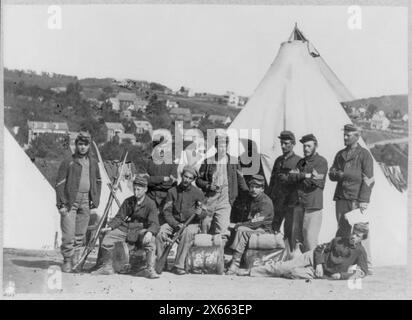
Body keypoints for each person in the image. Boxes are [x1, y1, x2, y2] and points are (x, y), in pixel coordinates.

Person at [238, 223, 369, 280]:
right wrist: (318, 263)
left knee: (292, 273)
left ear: (362, 238)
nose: (353, 236)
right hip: (313, 259)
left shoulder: (360, 251)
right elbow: (319, 249)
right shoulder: (339, 240)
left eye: (357, 235)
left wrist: (342, 276)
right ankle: (250, 272)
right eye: (353, 233)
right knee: (284, 266)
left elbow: (362, 272)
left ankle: (283, 273)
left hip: (324, 273)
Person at [91, 176, 160, 279]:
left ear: (145, 189)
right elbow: (119, 217)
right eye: (134, 189)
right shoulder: (128, 201)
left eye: (139, 190)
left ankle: (150, 269)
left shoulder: (150, 204)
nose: (136, 192)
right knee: (108, 238)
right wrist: (110, 227)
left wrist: (150, 232)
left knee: (150, 242)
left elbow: (154, 223)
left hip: (141, 230)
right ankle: (107, 267)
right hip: (127, 228)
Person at [329, 124, 374, 272]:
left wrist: (363, 200)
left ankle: (366, 265)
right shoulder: (340, 154)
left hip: (356, 199)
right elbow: (331, 173)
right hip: (342, 198)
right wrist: (339, 174)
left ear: (357, 136)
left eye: (348, 135)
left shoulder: (364, 155)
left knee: (359, 232)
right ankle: (342, 263)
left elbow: (369, 179)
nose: (345, 137)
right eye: (344, 134)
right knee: (343, 230)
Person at [55, 131, 102, 273]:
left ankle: (76, 261)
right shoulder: (68, 161)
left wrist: (95, 198)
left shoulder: (93, 162)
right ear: (76, 145)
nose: (83, 147)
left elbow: (98, 181)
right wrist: (61, 204)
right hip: (70, 202)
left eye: (86, 145)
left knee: (80, 235)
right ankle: (67, 260)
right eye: (80, 144)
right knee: (68, 234)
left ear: (89, 146)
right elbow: (59, 183)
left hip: (86, 201)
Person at [156, 165, 208, 275]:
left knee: (187, 232)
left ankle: (178, 266)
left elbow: (204, 212)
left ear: (193, 180)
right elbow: (167, 212)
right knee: (160, 232)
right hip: (173, 223)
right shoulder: (172, 192)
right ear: (181, 176)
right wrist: (175, 224)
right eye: (185, 176)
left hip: (191, 224)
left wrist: (199, 214)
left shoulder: (198, 193)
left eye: (190, 178)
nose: (187, 180)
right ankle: (162, 261)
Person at [196, 134, 248, 237]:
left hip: (226, 200)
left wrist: (247, 192)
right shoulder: (208, 161)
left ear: (227, 146)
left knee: (223, 230)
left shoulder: (234, 161)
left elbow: (240, 179)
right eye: (220, 146)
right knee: (204, 227)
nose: (222, 148)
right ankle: (205, 252)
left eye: (224, 145)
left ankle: (219, 251)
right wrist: (208, 186)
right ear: (215, 146)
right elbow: (198, 180)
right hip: (209, 200)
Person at [286, 134, 328, 252]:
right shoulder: (302, 162)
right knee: (296, 238)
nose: (306, 149)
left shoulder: (321, 162)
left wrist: (298, 177)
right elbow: (290, 177)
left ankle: (314, 266)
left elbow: (314, 182)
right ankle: (299, 265)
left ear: (316, 146)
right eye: (304, 146)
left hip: (312, 205)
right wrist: (306, 175)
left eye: (309, 146)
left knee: (310, 238)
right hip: (299, 204)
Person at [226, 175, 274, 275]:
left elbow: (256, 223)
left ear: (262, 189)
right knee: (238, 229)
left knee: (242, 230)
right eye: (252, 187)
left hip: (264, 230)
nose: (253, 190)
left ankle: (235, 263)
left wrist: (239, 224)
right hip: (254, 228)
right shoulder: (252, 198)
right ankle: (234, 260)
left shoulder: (265, 202)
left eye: (257, 187)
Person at [267, 131, 301, 247]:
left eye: (286, 143)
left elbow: (300, 182)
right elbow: (272, 181)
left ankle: (288, 254)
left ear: (293, 144)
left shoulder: (299, 161)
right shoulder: (278, 160)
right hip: (276, 201)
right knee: (272, 228)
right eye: (281, 143)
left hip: (290, 201)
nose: (282, 146)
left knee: (289, 230)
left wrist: (288, 178)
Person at [145, 137, 178, 221]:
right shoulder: (148, 162)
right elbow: (144, 180)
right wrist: (162, 179)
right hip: (150, 196)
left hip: (166, 197)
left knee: (164, 220)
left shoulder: (172, 163)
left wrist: (152, 180)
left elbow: (171, 183)